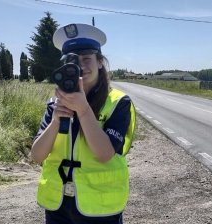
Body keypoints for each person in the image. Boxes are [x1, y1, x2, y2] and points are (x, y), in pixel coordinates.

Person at [31, 23, 136, 224]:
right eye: (73, 61)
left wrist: (84, 110)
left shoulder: (118, 103)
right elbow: (37, 156)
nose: (81, 66)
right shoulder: (55, 104)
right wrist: (55, 122)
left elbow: (104, 154)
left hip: (99, 209)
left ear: (99, 63)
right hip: (58, 206)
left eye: (86, 59)